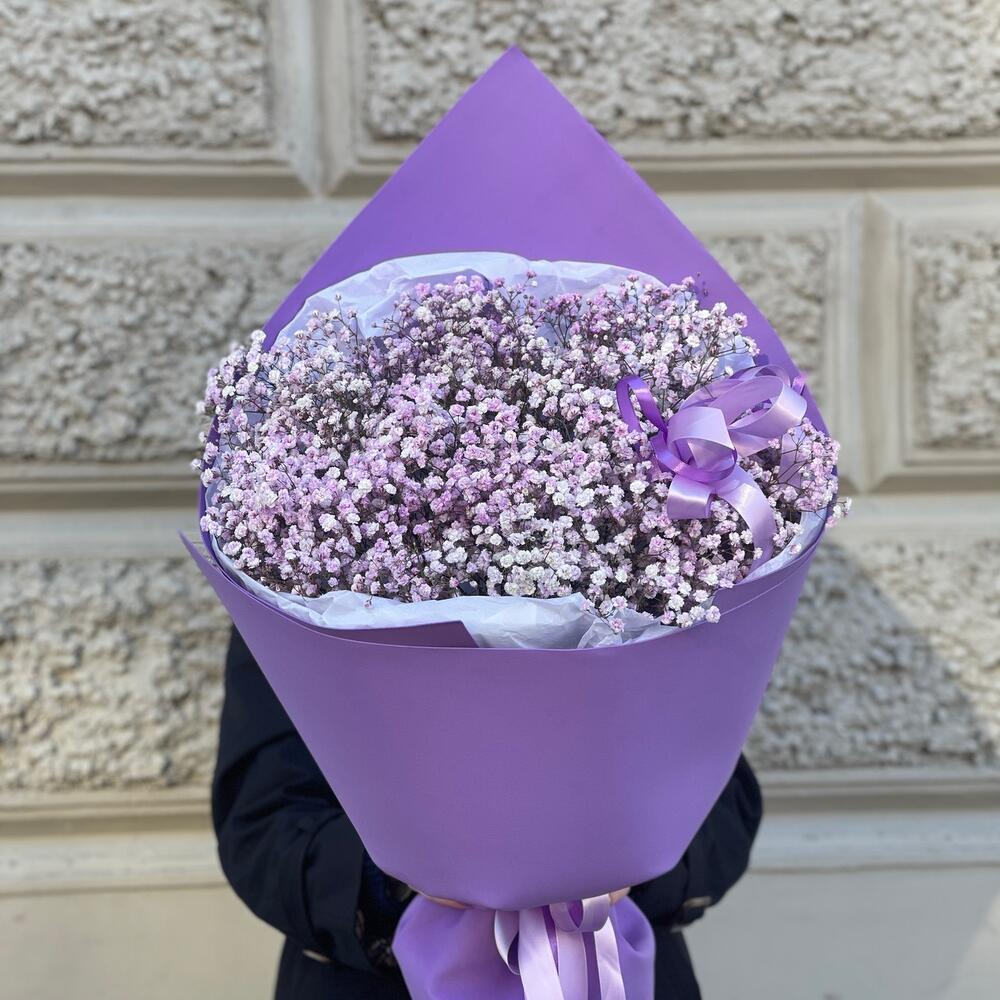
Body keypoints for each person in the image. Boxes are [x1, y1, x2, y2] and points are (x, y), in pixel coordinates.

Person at [213, 627, 763, 999]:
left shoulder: (657, 542)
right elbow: (264, 825)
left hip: (614, 972)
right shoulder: (299, 555)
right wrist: (402, 876)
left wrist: (625, 860)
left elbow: (721, 807)